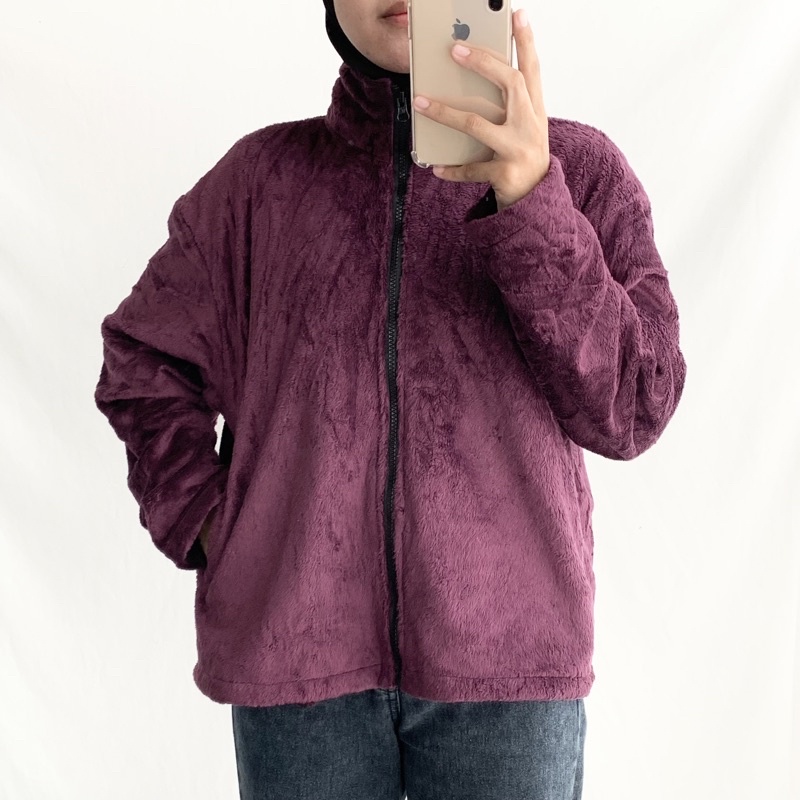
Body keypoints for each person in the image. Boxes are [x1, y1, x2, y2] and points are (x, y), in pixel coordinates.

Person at [94, 0, 687, 797]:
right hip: (297, 667)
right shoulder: (257, 185)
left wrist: (533, 201)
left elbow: (635, 406)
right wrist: (211, 523)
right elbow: (143, 359)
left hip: (509, 671)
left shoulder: (581, 172)